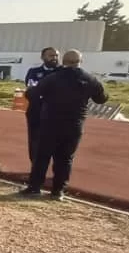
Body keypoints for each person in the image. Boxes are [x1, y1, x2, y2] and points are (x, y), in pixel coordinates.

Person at [21, 50, 107, 200]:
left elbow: (32, 94)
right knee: (66, 158)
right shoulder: (90, 79)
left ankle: (34, 188)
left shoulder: (53, 78)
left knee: (42, 156)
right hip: (75, 124)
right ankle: (58, 191)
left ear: (64, 61)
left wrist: (41, 96)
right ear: (81, 61)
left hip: (50, 122)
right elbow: (101, 98)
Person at [23, 47, 60, 164]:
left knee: (56, 142)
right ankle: (35, 165)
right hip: (36, 111)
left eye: (56, 55)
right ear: (43, 57)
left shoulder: (63, 72)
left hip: (57, 113)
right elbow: (31, 91)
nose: (54, 58)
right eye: (51, 55)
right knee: (35, 140)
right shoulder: (34, 72)